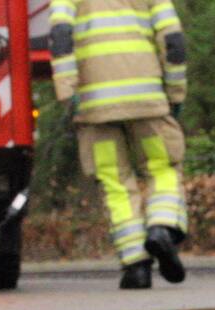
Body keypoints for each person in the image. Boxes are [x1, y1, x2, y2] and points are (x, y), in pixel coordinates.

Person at [49, 0, 189, 289]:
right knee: (162, 168)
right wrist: (176, 93)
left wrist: (67, 93)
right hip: (147, 101)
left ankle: (136, 267)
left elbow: (60, 36)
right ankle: (161, 228)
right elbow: (173, 40)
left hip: (95, 105)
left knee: (115, 182)